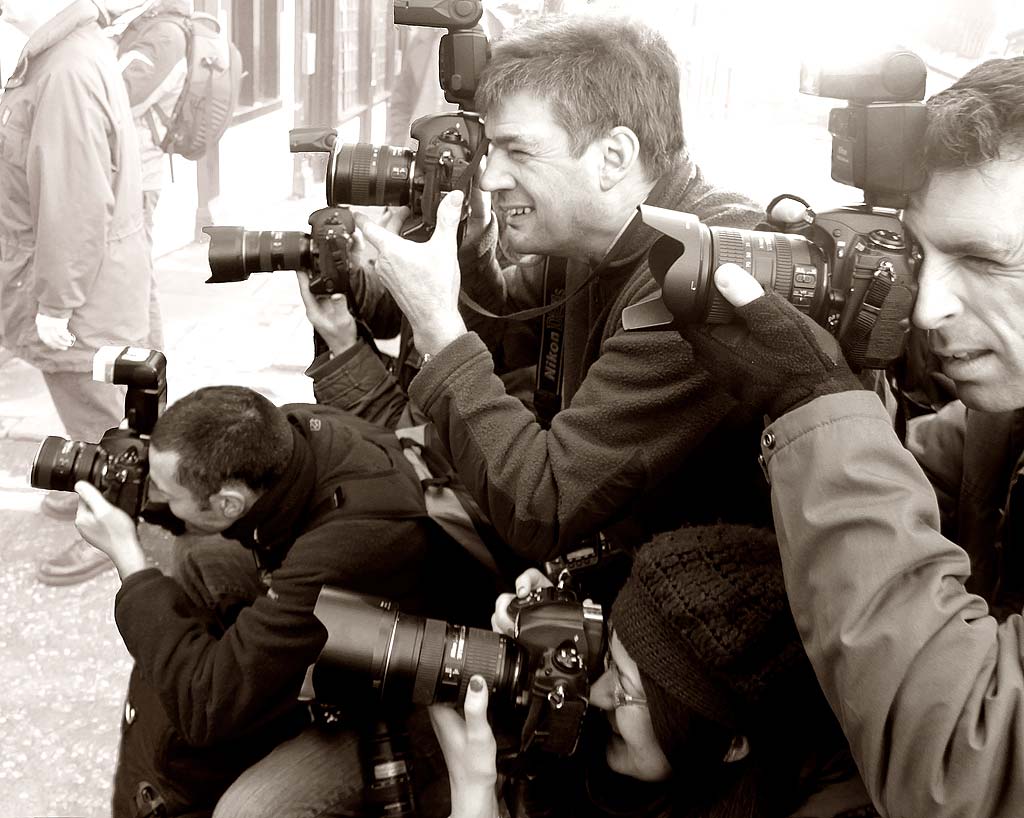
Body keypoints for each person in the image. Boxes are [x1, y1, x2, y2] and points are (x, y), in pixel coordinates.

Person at [680, 56, 1024, 818]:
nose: (928, 308)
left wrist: (814, 402)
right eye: (922, 256)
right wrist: (836, 370)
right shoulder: (1001, 425)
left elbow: (965, 766)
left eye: (985, 260)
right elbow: (904, 488)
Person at [341, 15, 772, 576]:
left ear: (613, 157)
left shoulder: (701, 277)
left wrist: (436, 328)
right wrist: (470, 252)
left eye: (517, 151)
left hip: (689, 610)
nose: (489, 177)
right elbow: (506, 337)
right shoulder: (590, 236)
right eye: (490, 148)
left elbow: (542, 507)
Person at [73, 385, 494, 817]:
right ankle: (232, 687)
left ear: (229, 502)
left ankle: (246, 700)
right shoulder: (289, 429)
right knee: (203, 557)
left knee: (246, 810)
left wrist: (130, 560)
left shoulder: (348, 545)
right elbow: (218, 518)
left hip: (433, 693)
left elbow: (205, 709)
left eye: (164, 492)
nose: (157, 498)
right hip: (364, 621)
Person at [429, 524, 873, 818]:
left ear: (731, 744)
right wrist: (546, 649)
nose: (598, 696)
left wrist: (474, 803)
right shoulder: (680, 758)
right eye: (606, 664)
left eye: (622, 689)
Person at [0, 0, 160, 585]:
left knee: (96, 408)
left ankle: (112, 528)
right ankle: (92, 483)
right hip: (98, 273)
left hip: (81, 288)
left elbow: (73, 199)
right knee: (94, 402)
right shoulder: (64, 55)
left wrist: (55, 302)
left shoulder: (62, 68)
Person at [112, 0, 189, 254]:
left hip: (135, 173)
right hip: (129, 168)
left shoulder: (164, 36)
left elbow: (120, 98)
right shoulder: (153, 27)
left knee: (132, 264)